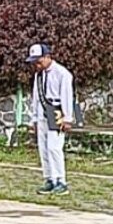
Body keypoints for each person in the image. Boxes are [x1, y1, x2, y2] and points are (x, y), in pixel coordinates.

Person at [27, 42, 75, 196]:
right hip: (42, 112)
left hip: (57, 112)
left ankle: (61, 181)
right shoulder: (39, 75)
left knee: (54, 148)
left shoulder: (62, 73)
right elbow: (35, 97)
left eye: (39, 61)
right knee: (44, 149)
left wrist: (67, 118)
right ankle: (49, 179)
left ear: (47, 57)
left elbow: (67, 96)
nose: (37, 64)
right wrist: (34, 119)